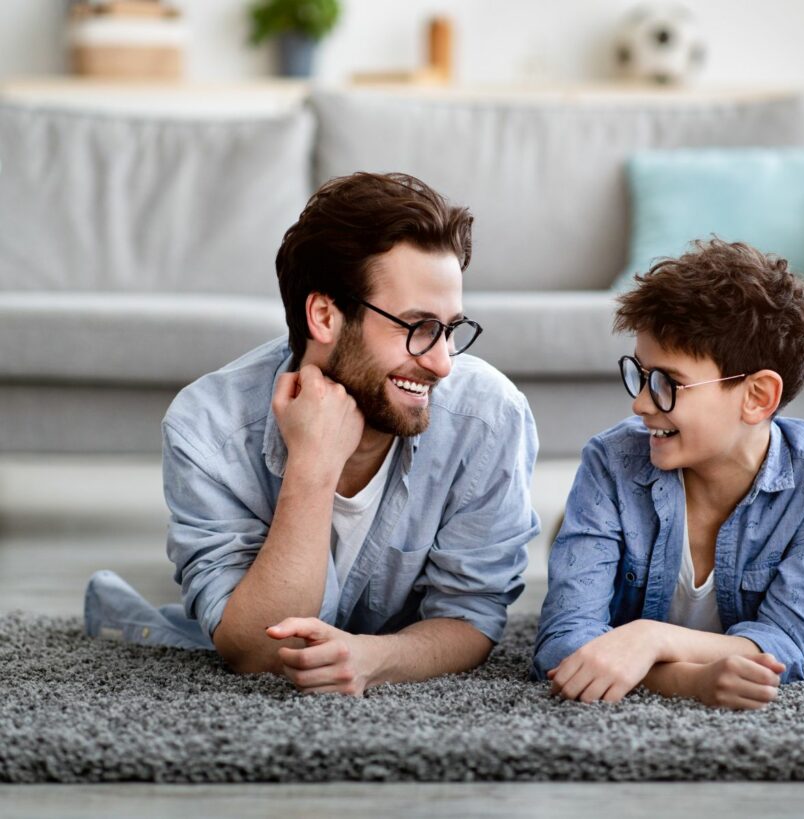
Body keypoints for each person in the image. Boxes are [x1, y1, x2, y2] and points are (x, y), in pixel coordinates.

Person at [86, 172, 540, 696]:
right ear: (325, 316)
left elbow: (472, 618)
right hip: (260, 607)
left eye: (450, 329)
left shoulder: (491, 416)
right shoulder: (209, 429)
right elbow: (258, 650)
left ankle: (161, 621)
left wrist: (377, 657)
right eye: (416, 328)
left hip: (384, 634)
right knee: (216, 625)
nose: (441, 364)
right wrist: (312, 466)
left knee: (200, 626)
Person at [533, 239, 804, 710]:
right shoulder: (612, 459)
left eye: (668, 384)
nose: (641, 404)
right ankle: (569, 533)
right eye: (640, 375)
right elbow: (563, 640)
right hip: (610, 512)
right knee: (575, 551)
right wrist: (689, 681)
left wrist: (649, 639)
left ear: (757, 397)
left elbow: (783, 642)